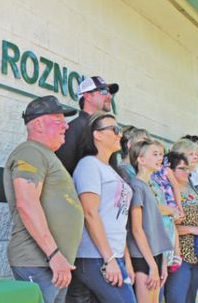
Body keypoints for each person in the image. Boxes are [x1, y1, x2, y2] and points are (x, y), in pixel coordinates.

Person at [4, 95, 84, 303]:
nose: (66, 126)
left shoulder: (44, 155)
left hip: (52, 264)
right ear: (38, 124)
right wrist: (54, 254)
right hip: (39, 262)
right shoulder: (30, 151)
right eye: (58, 120)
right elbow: (26, 204)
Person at [67, 112, 136, 303]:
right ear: (97, 134)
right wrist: (109, 259)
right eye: (114, 129)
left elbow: (119, 221)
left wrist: (124, 260)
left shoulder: (112, 170)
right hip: (95, 256)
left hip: (113, 255)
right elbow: (90, 213)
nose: (119, 134)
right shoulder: (89, 165)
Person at [127, 140, 173, 303]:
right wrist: (152, 265)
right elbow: (137, 229)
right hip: (143, 257)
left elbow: (157, 229)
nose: (160, 158)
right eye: (155, 154)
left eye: (161, 154)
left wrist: (161, 262)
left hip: (156, 255)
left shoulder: (151, 187)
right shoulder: (136, 186)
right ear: (140, 159)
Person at [164, 152, 198, 303]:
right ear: (169, 169)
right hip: (180, 253)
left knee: (191, 299)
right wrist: (191, 229)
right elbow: (167, 226)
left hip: (197, 252)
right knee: (177, 298)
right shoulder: (166, 193)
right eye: (182, 168)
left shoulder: (191, 187)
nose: (187, 172)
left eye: (188, 168)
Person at [56, 76, 119, 175]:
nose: (110, 96)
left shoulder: (107, 129)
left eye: (110, 92)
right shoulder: (73, 127)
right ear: (87, 96)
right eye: (103, 91)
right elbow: (62, 170)